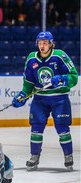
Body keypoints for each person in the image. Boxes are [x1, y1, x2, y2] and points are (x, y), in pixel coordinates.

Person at [12, 31, 78, 171]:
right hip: (40, 100)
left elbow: (74, 77)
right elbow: (29, 82)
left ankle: (68, 156)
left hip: (59, 98)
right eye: (40, 43)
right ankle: (34, 156)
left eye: (45, 43)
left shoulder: (60, 56)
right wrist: (22, 95)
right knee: (36, 129)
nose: (42, 46)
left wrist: (62, 79)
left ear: (51, 44)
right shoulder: (31, 59)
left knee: (62, 129)